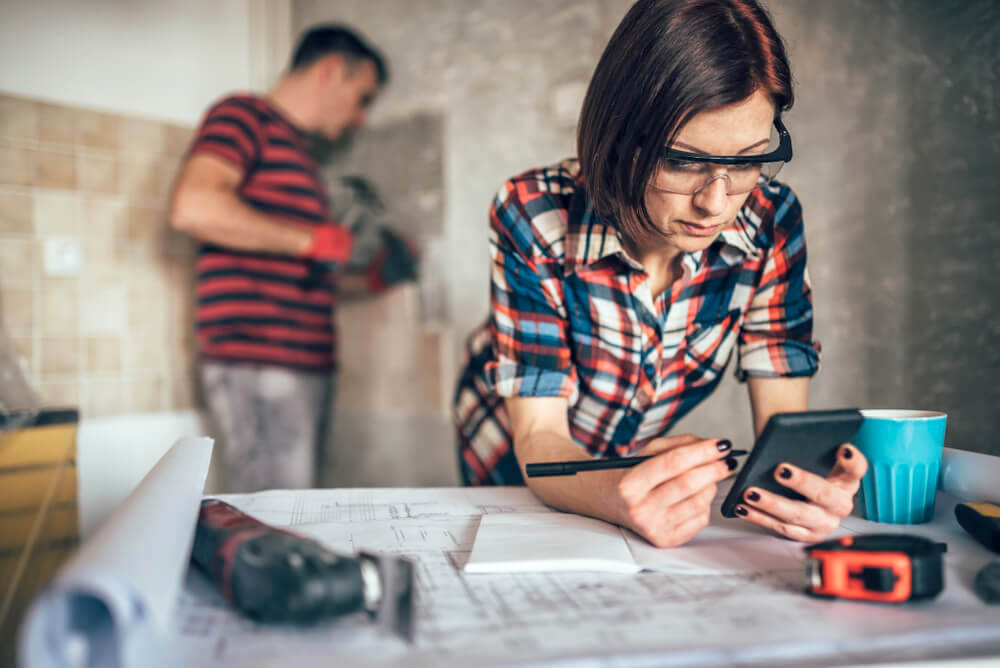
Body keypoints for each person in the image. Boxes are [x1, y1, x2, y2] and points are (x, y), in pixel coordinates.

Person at [453, 0, 868, 548]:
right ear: (620, 137)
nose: (717, 204)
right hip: (514, 451)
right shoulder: (533, 212)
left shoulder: (772, 220)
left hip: (627, 461)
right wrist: (615, 488)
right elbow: (539, 436)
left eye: (747, 160)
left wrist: (797, 492)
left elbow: (783, 436)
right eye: (684, 161)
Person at [170, 25, 415, 493]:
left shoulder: (301, 159)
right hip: (259, 357)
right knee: (276, 516)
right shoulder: (242, 116)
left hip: (299, 364)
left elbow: (299, 268)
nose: (361, 117)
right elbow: (193, 205)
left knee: (290, 505)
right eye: (363, 97)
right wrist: (312, 241)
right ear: (330, 71)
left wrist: (373, 280)